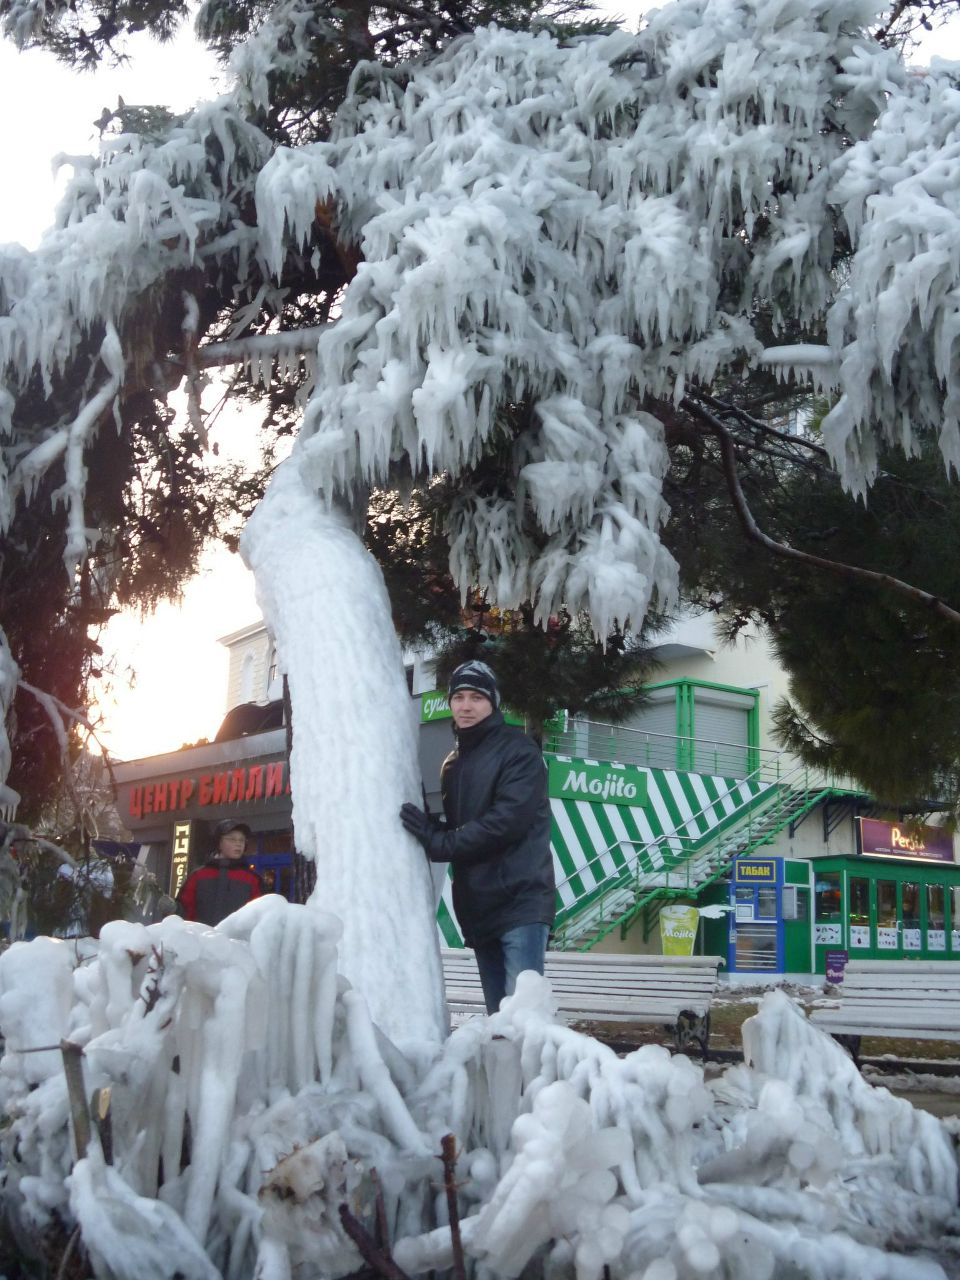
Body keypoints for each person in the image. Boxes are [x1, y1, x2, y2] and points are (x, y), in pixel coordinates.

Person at [400, 660, 555, 1014]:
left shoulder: (519, 751)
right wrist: (430, 828)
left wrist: (439, 842)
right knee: (499, 1023)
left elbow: (506, 823)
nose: (466, 706)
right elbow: (464, 827)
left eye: (476, 697)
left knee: (524, 1022)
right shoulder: (452, 764)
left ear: (493, 703)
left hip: (520, 903)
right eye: (459, 697)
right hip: (479, 910)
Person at [177, 819, 262, 926]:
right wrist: (172, 909)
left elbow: (259, 916)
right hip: (201, 935)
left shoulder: (252, 879)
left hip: (238, 937)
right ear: (219, 843)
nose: (238, 844)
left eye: (242, 840)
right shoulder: (198, 876)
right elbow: (184, 912)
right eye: (232, 839)